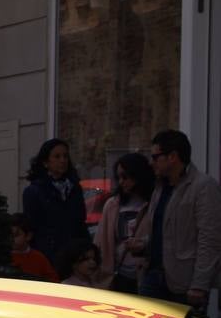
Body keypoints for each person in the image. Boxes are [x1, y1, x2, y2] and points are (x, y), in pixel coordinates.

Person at [127, 129, 221, 307]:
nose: (151, 163)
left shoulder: (203, 187)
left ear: (173, 157)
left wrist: (199, 284)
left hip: (183, 282)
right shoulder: (160, 187)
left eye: (155, 157)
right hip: (153, 275)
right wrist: (145, 244)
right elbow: (167, 231)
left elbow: (210, 240)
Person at [93, 152, 153, 293]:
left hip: (144, 274)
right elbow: (101, 240)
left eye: (126, 177)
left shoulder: (153, 203)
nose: (121, 182)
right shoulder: (113, 204)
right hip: (118, 273)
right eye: (119, 177)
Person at [22, 138, 88, 263]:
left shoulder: (74, 187)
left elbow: (81, 221)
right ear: (46, 162)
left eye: (65, 156)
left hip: (74, 255)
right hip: (48, 255)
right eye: (57, 157)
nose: (63, 160)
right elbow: (32, 227)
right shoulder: (34, 191)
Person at [10, 213, 58, 281]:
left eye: (16, 235)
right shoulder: (1, 256)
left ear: (28, 236)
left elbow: (53, 281)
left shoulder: (39, 258)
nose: (11, 238)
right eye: (9, 234)